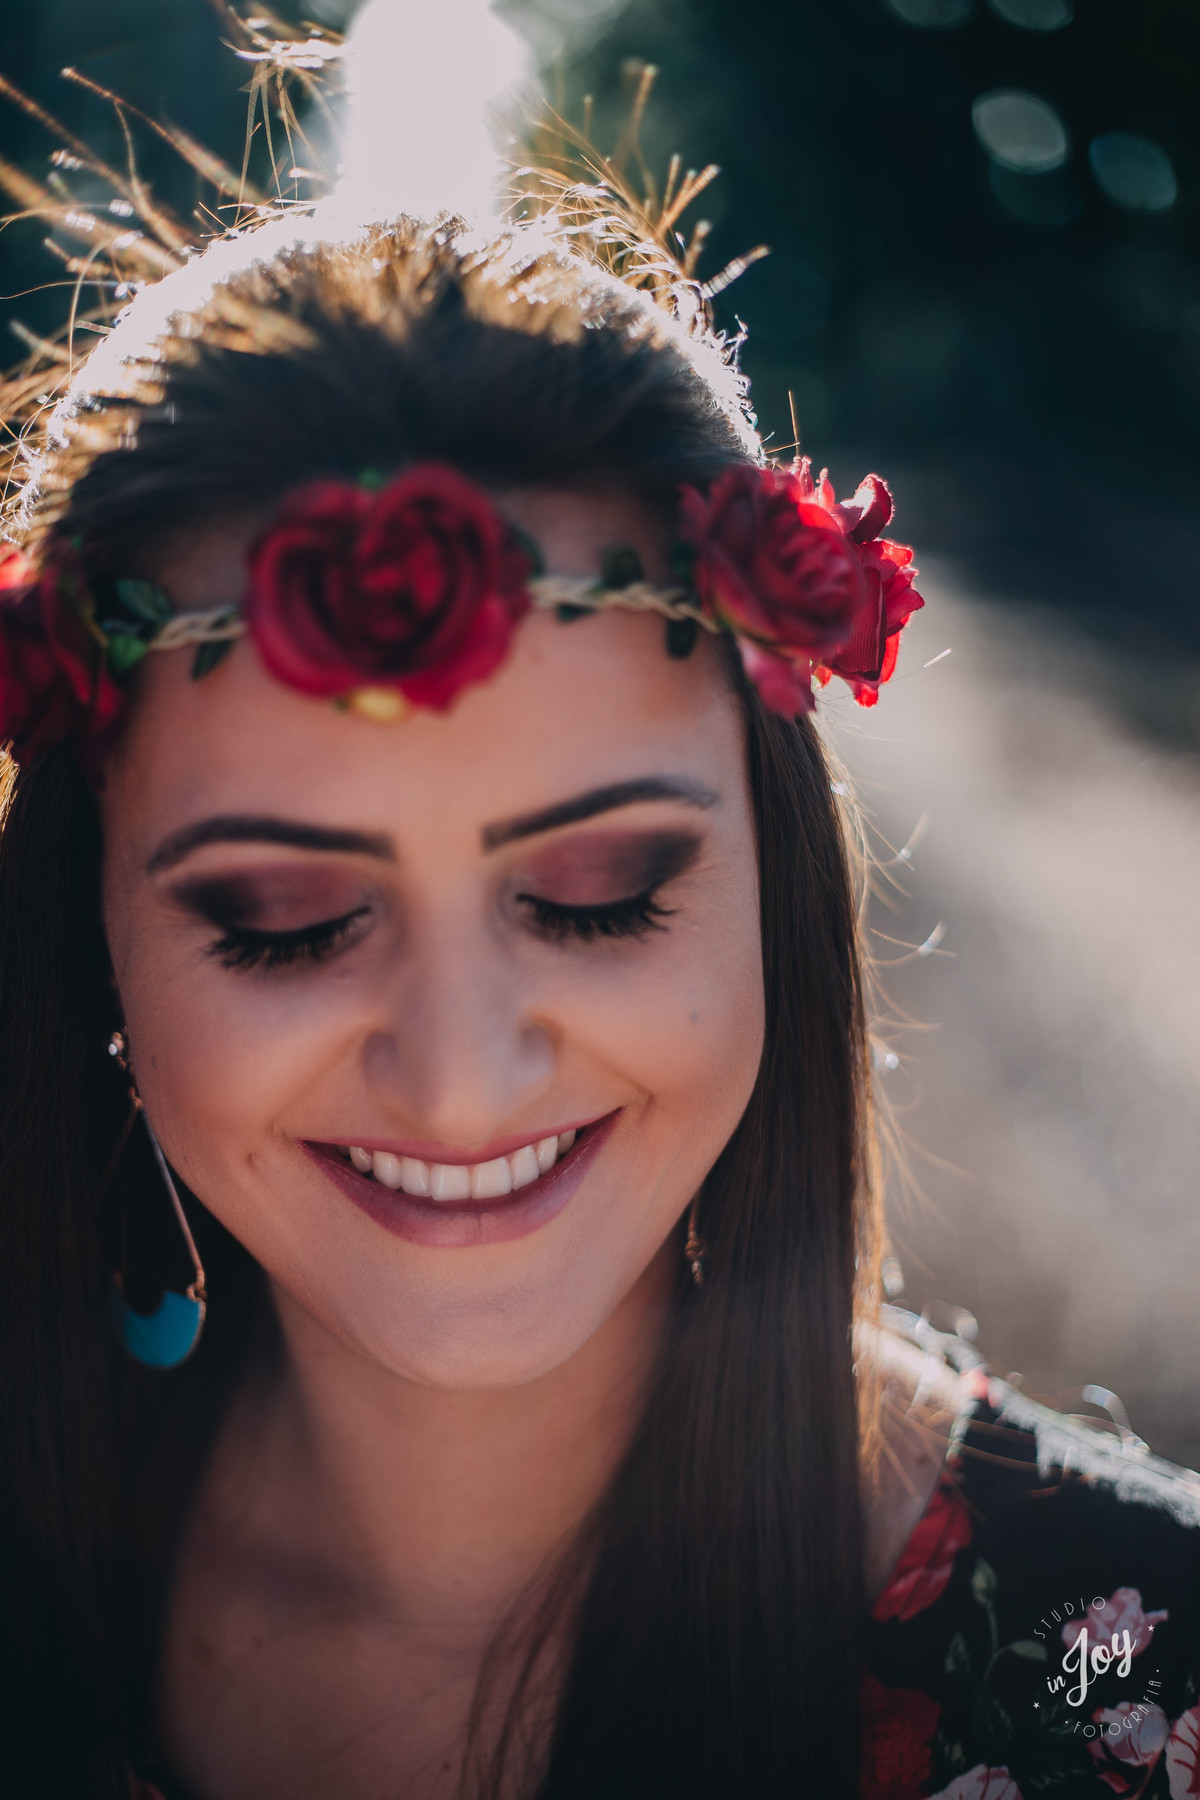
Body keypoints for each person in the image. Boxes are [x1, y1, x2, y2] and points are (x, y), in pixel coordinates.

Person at [0, 200, 1197, 1800]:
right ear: (86, 933)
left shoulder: (1127, 1679)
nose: (460, 1080)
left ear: (775, 876)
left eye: (599, 894)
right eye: (284, 921)